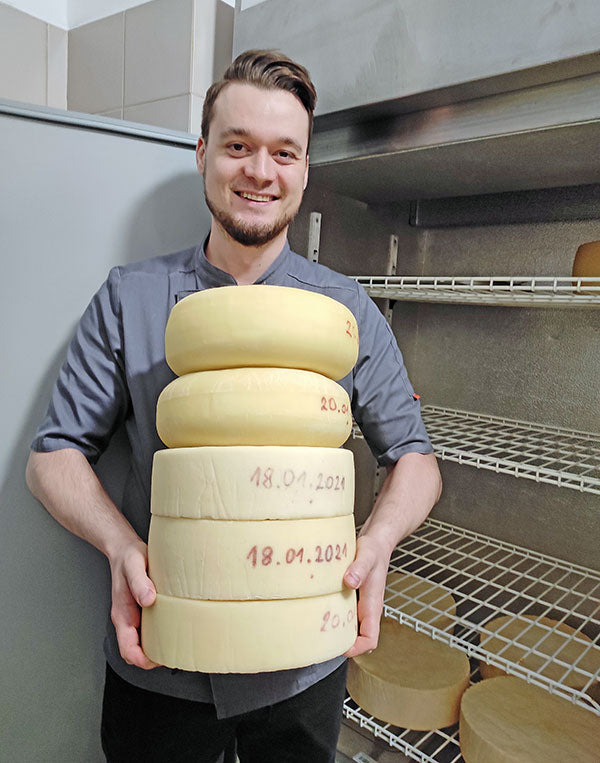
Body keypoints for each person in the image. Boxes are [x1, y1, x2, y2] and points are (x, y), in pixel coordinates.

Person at [26, 49, 442, 762]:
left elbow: (417, 459)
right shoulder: (131, 297)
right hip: (161, 664)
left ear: (305, 170)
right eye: (238, 146)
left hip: (301, 666)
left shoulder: (345, 311)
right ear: (202, 153)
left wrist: (375, 546)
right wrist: (122, 546)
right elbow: (52, 456)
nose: (260, 171)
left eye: (285, 152)